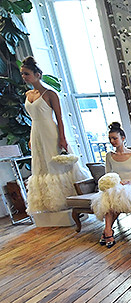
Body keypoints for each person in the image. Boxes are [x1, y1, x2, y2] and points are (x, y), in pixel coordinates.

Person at [21, 56, 89, 215]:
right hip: (36, 132)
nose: (24, 77)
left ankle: (68, 199)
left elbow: (59, 118)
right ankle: (47, 202)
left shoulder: (50, 94)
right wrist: (31, 138)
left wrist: (62, 138)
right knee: (41, 165)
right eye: (22, 74)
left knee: (55, 164)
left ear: (37, 74)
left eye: (27, 74)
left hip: (50, 132)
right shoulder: (28, 94)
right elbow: (33, 119)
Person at [92, 122, 131, 248]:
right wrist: (114, 183)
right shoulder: (109, 156)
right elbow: (108, 175)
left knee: (117, 197)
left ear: (123, 138)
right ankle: (108, 230)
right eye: (110, 139)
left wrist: (129, 182)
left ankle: (106, 232)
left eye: (115, 138)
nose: (112, 141)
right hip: (116, 186)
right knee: (109, 197)